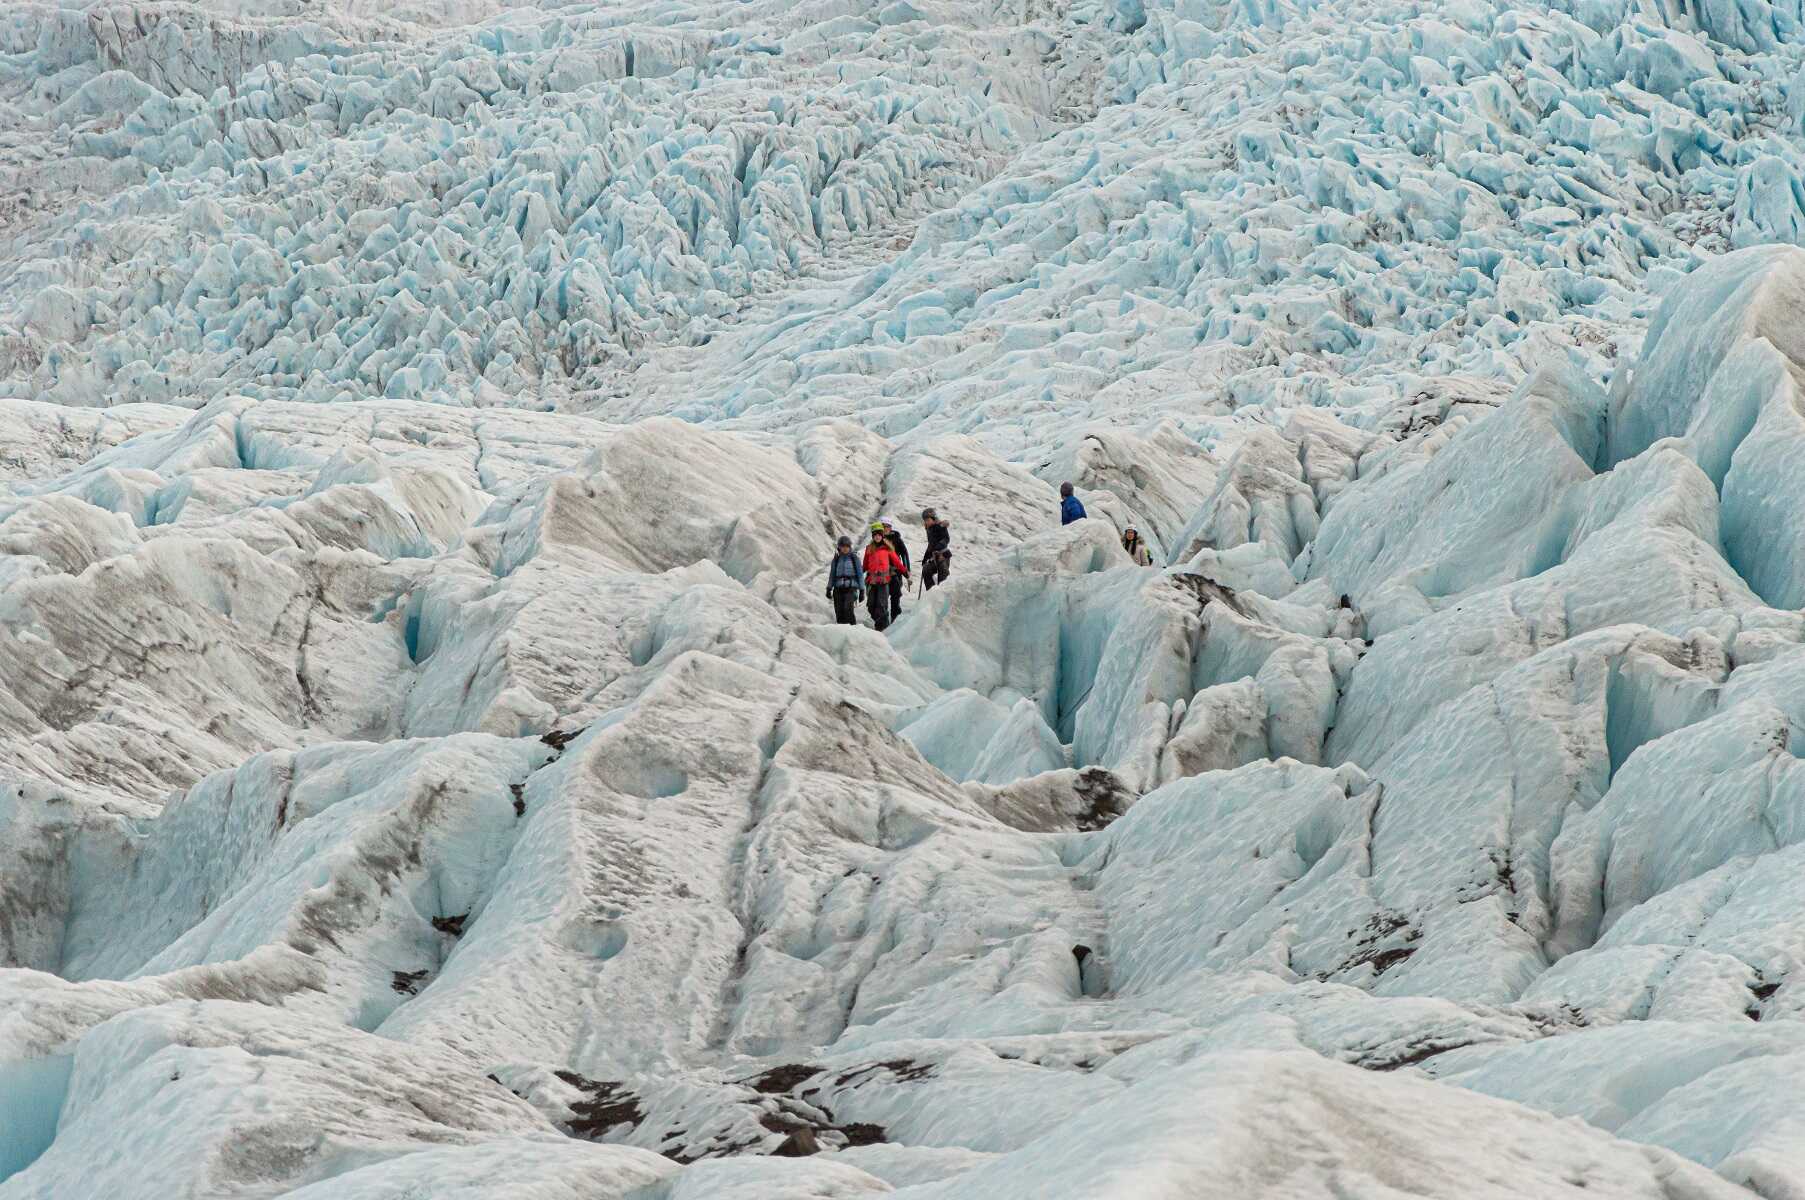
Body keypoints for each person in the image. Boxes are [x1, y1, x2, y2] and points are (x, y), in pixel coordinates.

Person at [862, 524, 906, 630]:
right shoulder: (869, 549)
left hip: (884, 581)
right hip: (871, 581)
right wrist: (857, 574)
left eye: (879, 535)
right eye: (875, 535)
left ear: (882, 536)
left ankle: (882, 628)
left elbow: (897, 562)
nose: (877, 537)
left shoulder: (887, 548)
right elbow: (865, 565)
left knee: (882, 605)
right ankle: (879, 622)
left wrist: (905, 572)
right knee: (871, 605)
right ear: (873, 536)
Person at [825, 535, 863, 625]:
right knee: (839, 611)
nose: (845, 548)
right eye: (843, 546)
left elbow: (860, 575)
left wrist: (862, 590)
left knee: (848, 609)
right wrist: (829, 588)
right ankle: (842, 631)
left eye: (847, 546)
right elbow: (832, 575)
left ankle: (853, 629)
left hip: (851, 588)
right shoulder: (836, 559)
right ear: (839, 547)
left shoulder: (854, 558)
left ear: (850, 547)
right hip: (838, 588)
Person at [882, 521, 911, 616]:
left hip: (896, 570)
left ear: (890, 528)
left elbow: (904, 554)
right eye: (883, 526)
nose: (885, 528)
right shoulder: (877, 539)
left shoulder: (897, 539)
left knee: (895, 595)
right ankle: (884, 619)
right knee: (883, 596)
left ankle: (895, 618)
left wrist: (907, 570)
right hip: (882, 571)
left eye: (887, 526)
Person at [921, 508, 951, 590]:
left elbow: (946, 539)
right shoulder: (929, 529)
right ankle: (931, 591)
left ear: (933, 518)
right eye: (925, 520)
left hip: (943, 555)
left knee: (943, 576)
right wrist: (925, 558)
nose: (926, 522)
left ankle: (942, 592)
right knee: (926, 570)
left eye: (928, 519)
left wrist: (938, 546)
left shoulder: (940, 526)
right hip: (934, 556)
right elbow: (930, 545)